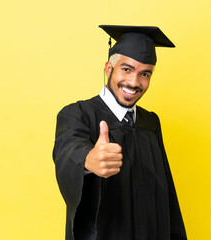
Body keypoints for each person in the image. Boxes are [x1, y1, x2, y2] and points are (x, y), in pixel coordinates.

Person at [53, 25, 187, 240]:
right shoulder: (78, 114)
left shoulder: (150, 122)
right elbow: (69, 150)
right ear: (109, 69)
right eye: (126, 69)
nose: (134, 83)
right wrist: (88, 160)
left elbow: (167, 193)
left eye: (145, 74)